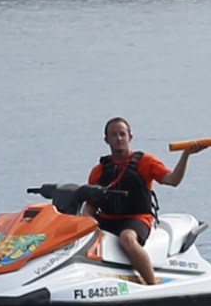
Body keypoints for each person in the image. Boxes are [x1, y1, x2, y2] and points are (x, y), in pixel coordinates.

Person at [83, 117, 203, 286]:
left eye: (122, 134)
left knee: (127, 238)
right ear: (106, 140)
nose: (118, 138)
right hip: (107, 219)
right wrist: (86, 220)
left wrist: (185, 156)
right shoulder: (99, 170)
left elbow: (172, 180)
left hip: (137, 218)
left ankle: (152, 283)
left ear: (130, 137)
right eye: (114, 135)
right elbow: (91, 204)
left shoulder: (146, 162)